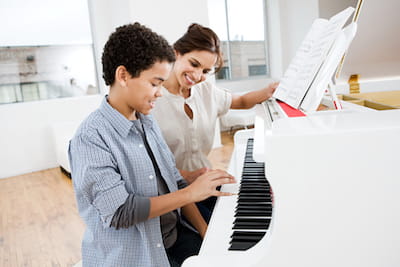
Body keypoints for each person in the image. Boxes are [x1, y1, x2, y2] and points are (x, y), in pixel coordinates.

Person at [68, 22, 235, 267]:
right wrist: (191, 191)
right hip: (138, 256)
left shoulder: (147, 121)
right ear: (123, 75)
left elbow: (175, 184)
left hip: (172, 237)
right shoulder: (90, 138)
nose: (160, 93)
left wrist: (204, 231)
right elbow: (121, 212)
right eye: (155, 83)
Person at [152, 23, 279, 184]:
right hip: (168, 188)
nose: (198, 76)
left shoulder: (206, 90)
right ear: (176, 54)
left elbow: (241, 101)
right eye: (194, 64)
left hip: (203, 181)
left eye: (205, 71)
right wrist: (186, 176)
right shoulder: (151, 98)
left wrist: (267, 91)